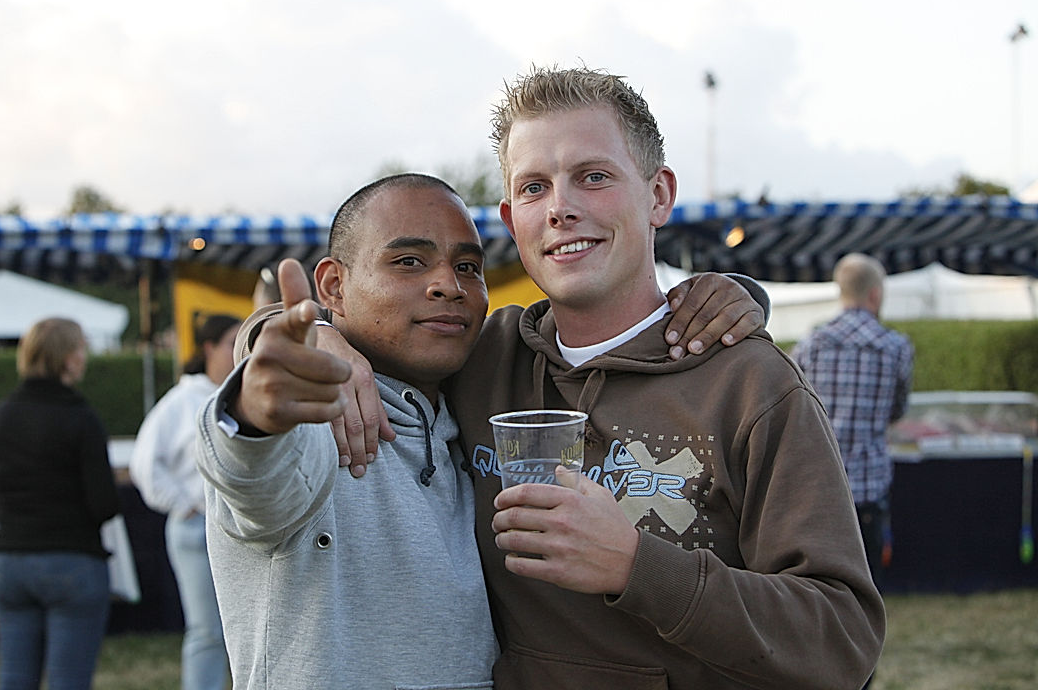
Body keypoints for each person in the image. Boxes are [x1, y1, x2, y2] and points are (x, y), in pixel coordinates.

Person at [316, 67, 883, 687]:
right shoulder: (482, 358)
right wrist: (296, 334)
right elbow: (352, 321)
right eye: (535, 187)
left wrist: (638, 567)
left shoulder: (752, 386)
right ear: (511, 219)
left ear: (658, 195)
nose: (561, 208)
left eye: (593, 177)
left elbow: (843, 640)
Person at [202, 173, 764, 689]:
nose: (448, 285)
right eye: (408, 262)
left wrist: (730, 293)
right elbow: (255, 480)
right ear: (333, 286)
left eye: (468, 267)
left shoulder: (476, 403)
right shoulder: (318, 419)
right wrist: (256, 409)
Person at [0, 317, 120, 690]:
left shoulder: (0, 415)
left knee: (14, 679)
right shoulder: (81, 418)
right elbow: (104, 504)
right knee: (67, 681)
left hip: (11, 561)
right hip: (72, 560)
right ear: (69, 359)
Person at [131, 313, 242, 690]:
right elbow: (144, 464)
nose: (238, 352)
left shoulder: (243, 394)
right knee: (207, 631)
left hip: (243, 527)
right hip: (196, 528)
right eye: (231, 343)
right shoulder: (180, 402)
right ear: (209, 348)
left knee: (246, 630)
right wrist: (185, 503)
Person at [792, 253, 914, 588]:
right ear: (875, 294)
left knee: (820, 587)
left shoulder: (811, 344)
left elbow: (791, 408)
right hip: (869, 486)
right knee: (866, 585)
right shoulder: (896, 347)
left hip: (818, 485)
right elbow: (897, 410)